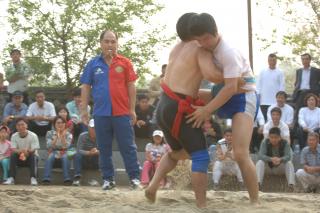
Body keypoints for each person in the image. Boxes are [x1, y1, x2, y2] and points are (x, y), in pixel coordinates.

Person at [145, 13, 224, 208]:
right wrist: (234, 76)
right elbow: (211, 75)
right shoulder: (199, 48)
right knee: (200, 156)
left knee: (176, 152)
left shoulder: (175, 48)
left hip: (163, 106)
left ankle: (153, 186)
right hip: (178, 108)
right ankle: (201, 205)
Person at [185, 13, 259, 203]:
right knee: (186, 95)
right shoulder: (204, 47)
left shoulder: (228, 51)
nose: (203, 43)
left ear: (215, 32)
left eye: (206, 38)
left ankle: (255, 202)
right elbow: (221, 87)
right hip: (223, 90)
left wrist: (207, 110)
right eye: (199, 40)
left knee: (241, 153)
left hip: (243, 96)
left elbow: (231, 87)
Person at [80, 30, 141, 190]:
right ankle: (108, 179)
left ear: (117, 43)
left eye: (113, 42)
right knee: (104, 148)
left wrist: (132, 109)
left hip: (122, 113)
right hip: (100, 113)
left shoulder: (125, 63)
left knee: (128, 147)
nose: (110, 45)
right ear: (101, 43)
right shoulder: (93, 64)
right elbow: (85, 87)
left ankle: (134, 178)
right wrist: (84, 110)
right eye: (107, 41)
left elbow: (131, 86)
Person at [256, 127, 295, 191]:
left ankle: (291, 186)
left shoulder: (285, 143)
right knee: (260, 162)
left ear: (280, 137)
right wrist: (271, 159)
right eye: (271, 137)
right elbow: (260, 156)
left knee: (289, 163)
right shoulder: (265, 142)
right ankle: (258, 184)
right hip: (268, 167)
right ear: (269, 137)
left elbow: (288, 156)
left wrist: (280, 159)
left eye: (276, 137)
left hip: (280, 167)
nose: (274, 139)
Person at [3, 118, 39, 185]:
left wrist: (27, 151)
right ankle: (11, 178)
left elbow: (34, 149)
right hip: (19, 157)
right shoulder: (14, 136)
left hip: (29, 157)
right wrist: (21, 151)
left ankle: (33, 178)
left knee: (33, 156)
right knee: (13, 155)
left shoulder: (33, 136)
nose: (21, 127)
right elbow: (13, 149)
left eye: (22, 124)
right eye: (18, 125)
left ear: (26, 126)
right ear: (16, 127)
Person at [42, 116, 72, 184]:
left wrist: (63, 136)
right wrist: (57, 135)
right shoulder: (49, 133)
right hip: (52, 151)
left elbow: (66, 146)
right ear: (54, 124)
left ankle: (67, 178)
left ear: (65, 124)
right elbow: (49, 146)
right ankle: (46, 178)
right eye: (58, 123)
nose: (60, 125)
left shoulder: (68, 134)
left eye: (62, 123)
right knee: (50, 157)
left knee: (65, 157)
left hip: (64, 151)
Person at [257, 53, 285, 120]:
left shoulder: (280, 72)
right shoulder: (262, 71)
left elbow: (282, 86)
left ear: (276, 61)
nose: (272, 62)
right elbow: (258, 85)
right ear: (268, 61)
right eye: (270, 60)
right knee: (264, 120)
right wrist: (258, 97)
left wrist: (281, 99)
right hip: (263, 101)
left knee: (275, 120)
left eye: (274, 60)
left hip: (275, 102)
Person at [292, 53, 320, 119]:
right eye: (303, 59)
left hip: (312, 93)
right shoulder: (299, 71)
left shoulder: (316, 71)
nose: (305, 61)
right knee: (299, 111)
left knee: (310, 111)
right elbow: (297, 82)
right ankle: (296, 126)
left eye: (306, 59)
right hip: (300, 93)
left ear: (310, 60)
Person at [72, 119, 99, 186]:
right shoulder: (82, 136)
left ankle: (97, 178)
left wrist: (96, 151)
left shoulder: (102, 136)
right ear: (88, 128)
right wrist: (89, 152)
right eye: (92, 128)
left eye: (95, 128)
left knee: (103, 156)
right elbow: (78, 150)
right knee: (77, 155)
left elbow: (105, 150)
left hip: (95, 159)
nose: (94, 130)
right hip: (83, 159)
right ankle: (77, 178)